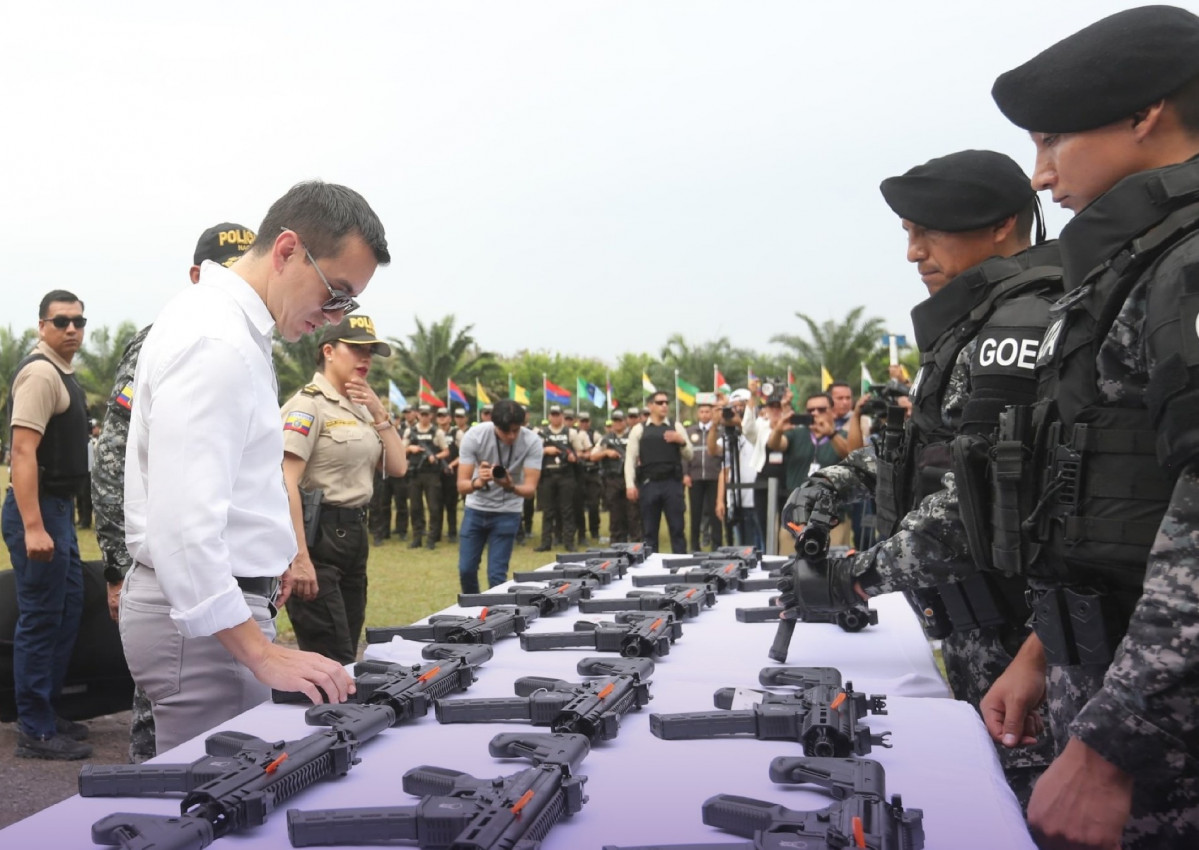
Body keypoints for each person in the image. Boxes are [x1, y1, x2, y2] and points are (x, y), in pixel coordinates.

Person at [978, 8, 1199, 846]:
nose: (1038, 177)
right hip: (1108, 686)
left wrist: (1110, 752)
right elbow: (1100, 497)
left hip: (1162, 740)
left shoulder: (1185, 262)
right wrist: (1041, 655)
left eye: (1051, 142)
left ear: (1143, 114)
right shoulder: (1136, 262)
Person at [785, 149, 1064, 808]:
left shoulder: (1019, 329)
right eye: (907, 234)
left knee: (1024, 812)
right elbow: (927, 453)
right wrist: (833, 480)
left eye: (928, 231)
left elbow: (962, 515)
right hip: (977, 633)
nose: (913, 253)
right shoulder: (974, 325)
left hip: (1020, 640)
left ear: (1000, 225)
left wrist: (849, 576)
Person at [121, 181, 385, 751]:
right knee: (214, 807)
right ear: (288, 250)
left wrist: (267, 559)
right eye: (335, 292)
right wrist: (260, 651)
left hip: (216, 616)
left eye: (349, 304)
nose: (335, 316)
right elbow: (184, 528)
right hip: (204, 627)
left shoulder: (230, 327)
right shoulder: (215, 340)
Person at [92, 220, 255, 763]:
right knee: (167, 746)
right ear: (195, 276)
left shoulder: (241, 335)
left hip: (222, 570)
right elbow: (117, 463)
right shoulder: (175, 337)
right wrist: (118, 567)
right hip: (172, 579)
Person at [280, 316, 406, 664]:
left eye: (370, 352)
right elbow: (284, 481)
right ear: (329, 351)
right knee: (330, 656)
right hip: (315, 536)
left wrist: (378, 409)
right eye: (356, 349)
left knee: (346, 652)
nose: (365, 359)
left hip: (352, 536)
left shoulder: (360, 408)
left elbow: (398, 466)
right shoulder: (309, 404)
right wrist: (299, 557)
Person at [3, 290, 91, 759]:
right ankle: (34, 730)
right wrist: (34, 527)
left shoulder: (64, 374)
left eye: (78, 320)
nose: (71, 328)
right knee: (41, 618)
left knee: (67, 607)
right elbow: (22, 452)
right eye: (61, 321)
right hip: (38, 511)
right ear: (43, 326)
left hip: (57, 510)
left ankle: (48, 710)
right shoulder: (40, 374)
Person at [455, 400, 544, 592]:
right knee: (466, 570)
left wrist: (511, 486)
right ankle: (473, 612)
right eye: (506, 431)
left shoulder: (532, 442)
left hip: (508, 511)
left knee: (497, 575)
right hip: (476, 509)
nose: (512, 436)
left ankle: (497, 619)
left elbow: (529, 490)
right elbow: (462, 486)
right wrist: (479, 482)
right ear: (494, 425)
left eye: (516, 430)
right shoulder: (475, 436)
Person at [625, 391, 693, 553]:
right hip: (649, 485)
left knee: (677, 529)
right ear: (650, 406)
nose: (664, 406)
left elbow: (690, 455)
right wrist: (629, 485)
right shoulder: (638, 430)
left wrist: (681, 441)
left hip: (672, 484)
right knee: (649, 532)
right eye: (660, 402)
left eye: (666, 402)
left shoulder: (676, 427)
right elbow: (630, 460)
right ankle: (650, 569)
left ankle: (680, 566)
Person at [406, 404, 449, 550]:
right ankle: (417, 538)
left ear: (431, 416)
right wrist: (410, 448)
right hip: (415, 474)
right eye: (422, 414)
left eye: (427, 414)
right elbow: (401, 448)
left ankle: (431, 539)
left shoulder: (437, 432)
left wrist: (435, 456)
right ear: (418, 415)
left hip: (432, 474)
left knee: (434, 507)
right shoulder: (410, 431)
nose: (424, 417)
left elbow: (446, 451)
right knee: (415, 508)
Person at [533, 405, 576, 552]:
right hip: (547, 476)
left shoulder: (570, 432)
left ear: (562, 416)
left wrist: (572, 457)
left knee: (567, 511)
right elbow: (533, 452)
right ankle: (546, 543)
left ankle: (569, 542)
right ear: (549, 416)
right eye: (553, 414)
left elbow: (580, 453)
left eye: (558, 414)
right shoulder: (541, 433)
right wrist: (546, 450)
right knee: (548, 511)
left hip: (566, 475)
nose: (555, 417)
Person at [593, 410, 637, 542]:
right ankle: (617, 542)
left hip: (630, 479)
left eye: (619, 420)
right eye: (615, 421)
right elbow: (593, 456)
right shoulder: (606, 438)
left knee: (633, 513)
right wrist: (606, 452)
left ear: (625, 421)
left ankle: (635, 541)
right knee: (615, 513)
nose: (617, 423)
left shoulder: (632, 436)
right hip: (612, 479)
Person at [685, 401, 723, 551]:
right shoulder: (690, 431)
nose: (705, 414)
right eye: (702, 412)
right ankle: (695, 546)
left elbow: (722, 456)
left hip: (714, 477)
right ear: (697, 414)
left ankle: (717, 545)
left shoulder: (719, 431)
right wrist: (685, 473)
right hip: (695, 477)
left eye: (708, 412)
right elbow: (685, 455)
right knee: (695, 513)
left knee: (715, 513)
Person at [572, 411, 602, 547]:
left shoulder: (595, 435)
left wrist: (584, 455)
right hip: (578, 473)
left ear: (589, 422)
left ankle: (595, 531)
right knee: (578, 506)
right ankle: (581, 533)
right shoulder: (573, 433)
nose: (584, 423)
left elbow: (597, 451)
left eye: (586, 421)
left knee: (594, 505)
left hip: (593, 473)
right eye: (581, 421)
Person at [436, 409, 460, 543]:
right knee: (437, 505)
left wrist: (451, 465)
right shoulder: (434, 432)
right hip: (436, 473)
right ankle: (437, 533)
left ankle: (452, 533)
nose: (441, 418)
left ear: (449, 418)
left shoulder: (457, 433)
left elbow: (464, 454)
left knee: (451, 505)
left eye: (444, 416)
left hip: (452, 473)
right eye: (439, 416)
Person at [76, 419, 99, 529]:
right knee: (81, 496)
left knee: (89, 497)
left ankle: (88, 520)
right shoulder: (83, 440)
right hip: (83, 470)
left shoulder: (96, 441)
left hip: (93, 471)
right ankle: (82, 519)